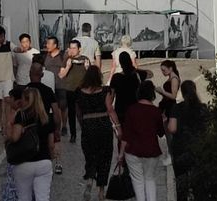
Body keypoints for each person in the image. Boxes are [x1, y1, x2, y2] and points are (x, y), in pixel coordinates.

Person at [77, 65, 119, 201]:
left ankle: (89, 178)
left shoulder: (79, 91)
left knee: (90, 155)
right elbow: (110, 109)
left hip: (88, 124)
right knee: (105, 157)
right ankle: (101, 191)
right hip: (103, 124)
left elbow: (78, 112)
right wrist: (118, 126)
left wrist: (83, 124)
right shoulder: (104, 91)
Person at [4, 86, 54, 201]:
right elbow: (51, 144)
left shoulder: (21, 116)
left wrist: (8, 126)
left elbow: (15, 138)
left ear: (25, 100)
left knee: (24, 197)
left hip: (24, 162)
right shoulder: (47, 117)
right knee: (43, 198)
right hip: (44, 162)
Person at [119, 79, 165, 201]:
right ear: (152, 95)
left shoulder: (131, 110)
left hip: (133, 151)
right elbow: (161, 133)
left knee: (138, 181)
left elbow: (126, 135)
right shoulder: (156, 111)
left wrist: (120, 153)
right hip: (152, 151)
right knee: (150, 179)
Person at [166, 79, 207, 200]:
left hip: (180, 147)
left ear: (182, 93)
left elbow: (172, 128)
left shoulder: (177, 108)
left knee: (181, 181)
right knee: (199, 183)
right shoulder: (203, 108)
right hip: (198, 147)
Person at [27, 59, 63, 176]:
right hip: (46, 123)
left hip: (28, 126)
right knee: (47, 150)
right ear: (42, 75)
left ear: (29, 73)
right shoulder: (48, 91)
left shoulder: (25, 91)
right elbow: (56, 112)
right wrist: (57, 128)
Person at [58, 39, 89, 143]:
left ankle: (86, 132)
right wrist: (68, 66)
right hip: (70, 89)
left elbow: (91, 76)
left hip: (83, 90)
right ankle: (73, 134)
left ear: (79, 49)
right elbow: (61, 75)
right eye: (70, 48)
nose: (72, 50)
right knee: (71, 112)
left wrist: (87, 67)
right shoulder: (67, 59)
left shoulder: (85, 59)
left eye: (74, 48)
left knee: (83, 112)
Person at [42, 36, 67, 136]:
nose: (47, 45)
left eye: (49, 43)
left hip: (60, 85)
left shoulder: (62, 56)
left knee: (63, 107)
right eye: (47, 43)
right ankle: (52, 126)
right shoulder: (45, 56)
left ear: (55, 45)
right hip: (48, 86)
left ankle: (64, 126)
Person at [109, 51, 140, 124]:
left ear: (120, 62)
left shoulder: (116, 77)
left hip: (120, 108)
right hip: (134, 106)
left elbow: (112, 95)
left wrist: (109, 108)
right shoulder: (135, 75)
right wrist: (136, 70)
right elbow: (150, 74)